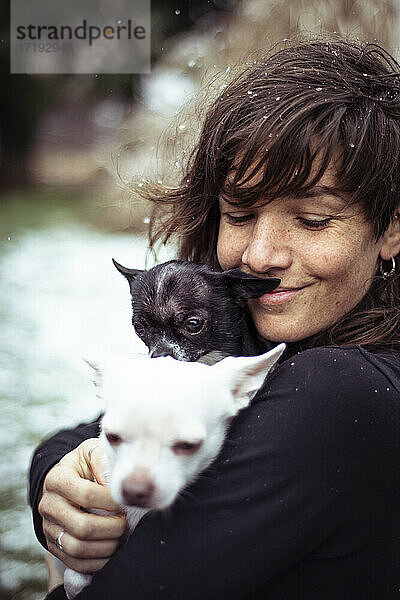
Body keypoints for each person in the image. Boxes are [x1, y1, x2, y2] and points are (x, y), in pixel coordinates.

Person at [30, 37, 400, 599]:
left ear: (391, 228)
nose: (261, 256)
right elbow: (82, 433)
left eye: (314, 219)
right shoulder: (252, 351)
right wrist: (54, 488)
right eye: (240, 213)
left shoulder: (341, 392)